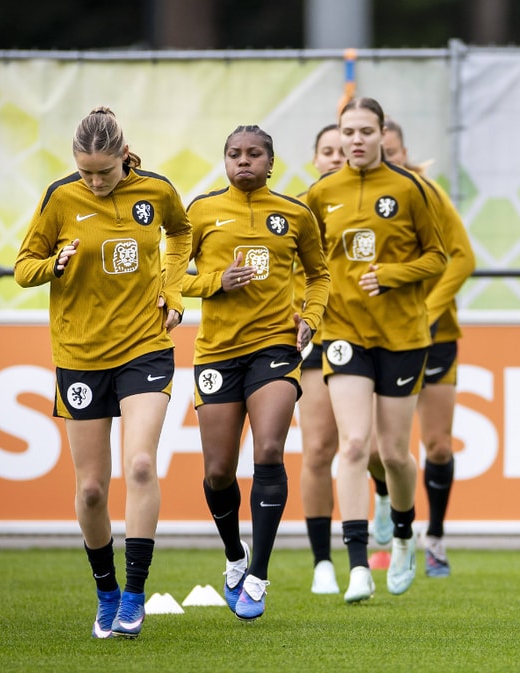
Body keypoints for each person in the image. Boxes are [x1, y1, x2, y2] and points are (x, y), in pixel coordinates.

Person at [14, 107, 191, 639]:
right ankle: (107, 593)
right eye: (86, 171)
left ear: (123, 155)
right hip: (80, 355)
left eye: (105, 172)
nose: (94, 181)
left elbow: (181, 235)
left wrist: (174, 291)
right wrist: (55, 265)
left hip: (145, 347)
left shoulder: (157, 191)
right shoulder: (59, 197)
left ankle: (136, 596)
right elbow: (24, 267)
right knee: (91, 490)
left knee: (139, 465)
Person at [182, 125, 329, 620]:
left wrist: (310, 318)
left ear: (270, 161)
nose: (243, 161)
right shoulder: (201, 212)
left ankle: (260, 577)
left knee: (268, 449)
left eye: (253, 154)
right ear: (224, 161)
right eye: (233, 154)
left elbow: (319, 273)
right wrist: (215, 282)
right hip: (217, 353)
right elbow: (173, 275)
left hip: (275, 349)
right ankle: (234, 557)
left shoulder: (294, 214)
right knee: (219, 471)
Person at [305, 97, 447, 603]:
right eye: (349, 132)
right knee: (353, 445)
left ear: (382, 134)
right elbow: (303, 262)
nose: (357, 140)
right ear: (339, 136)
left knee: (393, 453)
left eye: (366, 131)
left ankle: (405, 535)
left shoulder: (410, 189)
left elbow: (438, 257)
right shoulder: (320, 193)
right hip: (343, 333)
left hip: (403, 335)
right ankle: (357, 565)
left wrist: (391, 275)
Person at [372, 116, 477, 577]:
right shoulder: (348, 196)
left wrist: (428, 310)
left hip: (434, 335)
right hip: (374, 334)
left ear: (403, 153)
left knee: (436, 444)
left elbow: (463, 257)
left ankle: (433, 536)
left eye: (394, 153)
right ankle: (383, 501)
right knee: (375, 448)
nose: (388, 159)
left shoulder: (426, 193)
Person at [297, 124, 346, 595]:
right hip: (314, 339)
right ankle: (322, 562)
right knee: (317, 450)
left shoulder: (366, 207)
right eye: (325, 150)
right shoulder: (294, 211)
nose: (334, 157)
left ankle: (389, 506)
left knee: (370, 449)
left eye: (340, 150)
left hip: (363, 339)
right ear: (315, 158)